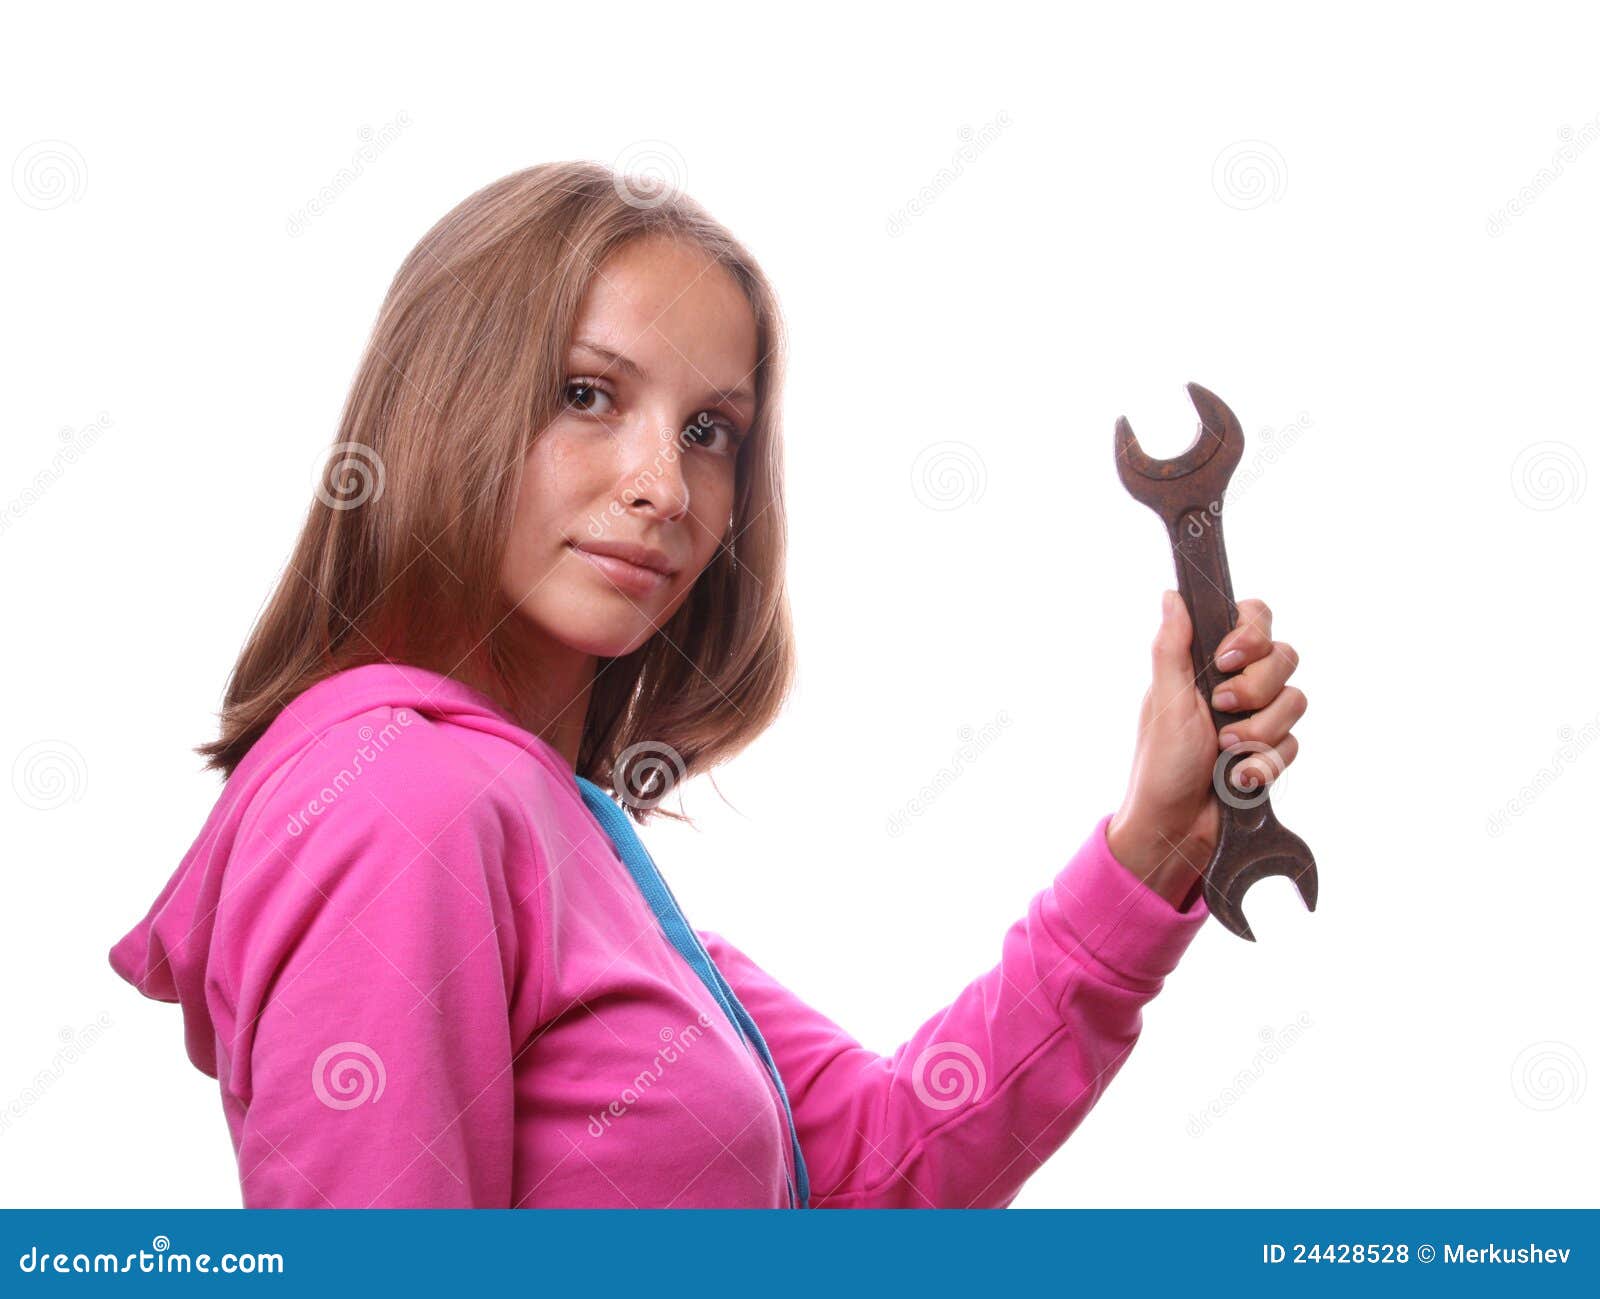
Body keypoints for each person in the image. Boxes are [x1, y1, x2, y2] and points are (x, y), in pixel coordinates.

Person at [109, 161, 1308, 1208]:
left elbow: (877, 1175)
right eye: (588, 395)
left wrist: (1155, 843)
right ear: (441, 412)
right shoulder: (402, 803)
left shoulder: (577, 854)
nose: (664, 489)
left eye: (710, 431)